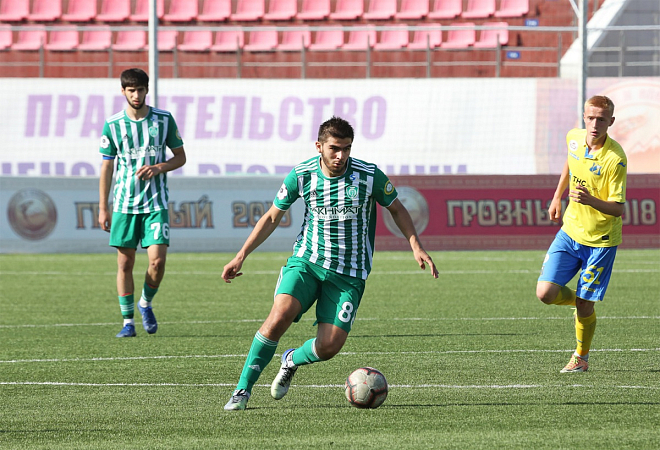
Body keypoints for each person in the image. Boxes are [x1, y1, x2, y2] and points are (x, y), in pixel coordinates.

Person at [221, 116, 439, 410]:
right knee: (279, 316)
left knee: (329, 346)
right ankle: (242, 391)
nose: (341, 156)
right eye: (334, 148)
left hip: (349, 274)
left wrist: (416, 245)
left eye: (346, 148)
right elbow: (272, 217)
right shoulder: (302, 175)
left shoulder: (368, 176)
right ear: (319, 146)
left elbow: (397, 209)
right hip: (307, 262)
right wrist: (241, 255)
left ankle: (291, 359)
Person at [536, 95, 627, 372]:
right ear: (584, 117)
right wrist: (557, 196)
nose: (595, 124)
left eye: (602, 119)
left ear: (611, 121)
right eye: (591, 118)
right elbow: (570, 161)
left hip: (600, 241)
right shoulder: (573, 138)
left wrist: (590, 200)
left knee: (585, 308)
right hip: (570, 232)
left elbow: (618, 208)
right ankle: (582, 299)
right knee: (545, 293)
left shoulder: (615, 158)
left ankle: (581, 358)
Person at [98, 68, 186, 338]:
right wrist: (103, 207)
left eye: (140, 90)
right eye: (131, 90)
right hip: (124, 205)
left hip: (155, 203)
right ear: (123, 91)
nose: (136, 95)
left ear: (147, 90)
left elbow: (180, 157)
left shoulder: (163, 119)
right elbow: (107, 167)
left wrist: (159, 167)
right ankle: (128, 322)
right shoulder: (113, 125)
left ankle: (145, 303)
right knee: (125, 264)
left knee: (157, 262)